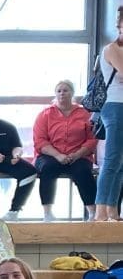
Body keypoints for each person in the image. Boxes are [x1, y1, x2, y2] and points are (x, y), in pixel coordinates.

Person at [32, 80, 98, 221]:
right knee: (47, 168)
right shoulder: (45, 114)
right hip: (50, 154)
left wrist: (77, 154)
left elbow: (92, 139)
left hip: (79, 154)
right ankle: (48, 213)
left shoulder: (84, 113)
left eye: (65, 90)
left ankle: (92, 213)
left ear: (72, 93)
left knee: (83, 171)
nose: (62, 93)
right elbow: (40, 141)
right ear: (55, 94)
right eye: (59, 91)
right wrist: (58, 155)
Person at [93, 6, 123, 221]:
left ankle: (112, 209)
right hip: (115, 106)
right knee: (112, 159)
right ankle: (100, 211)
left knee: (120, 163)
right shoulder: (111, 48)